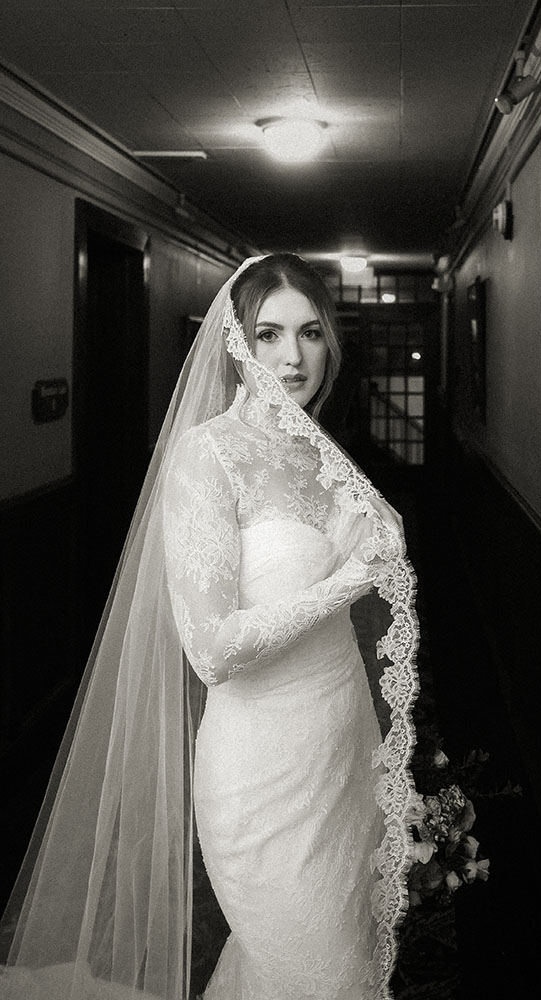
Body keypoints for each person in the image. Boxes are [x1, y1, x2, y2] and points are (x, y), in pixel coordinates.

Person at [0, 254, 420, 1000]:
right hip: (261, 774)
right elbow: (211, 648)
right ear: (236, 343)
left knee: (342, 969)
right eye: (268, 334)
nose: (293, 357)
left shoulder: (315, 453)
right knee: (311, 973)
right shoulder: (207, 455)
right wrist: (349, 580)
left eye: (311, 333)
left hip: (340, 749)